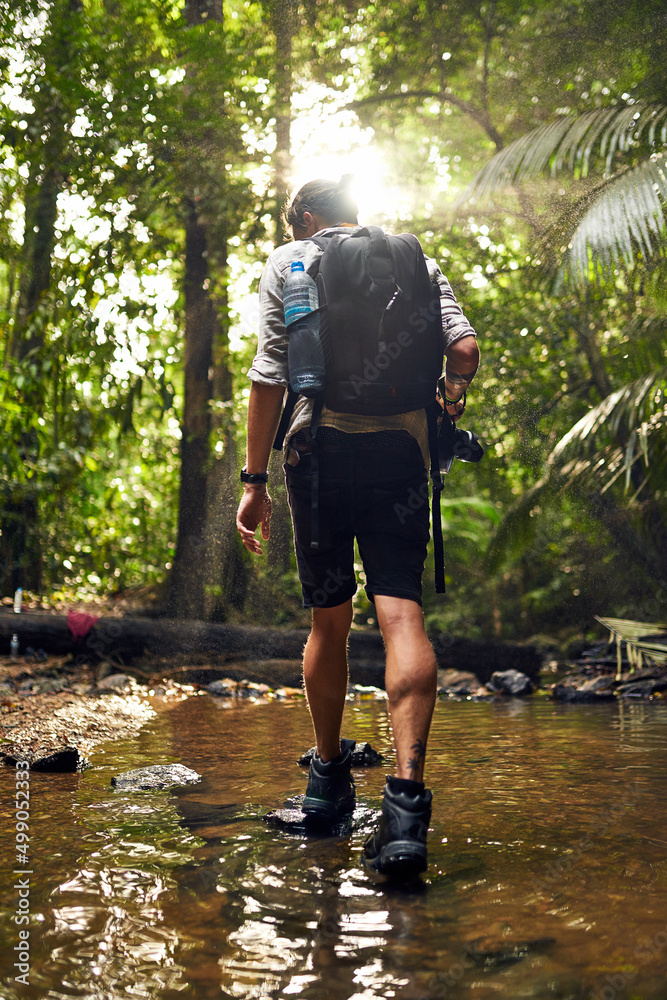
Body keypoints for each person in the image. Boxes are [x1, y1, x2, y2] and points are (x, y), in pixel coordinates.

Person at [236, 177, 479, 876]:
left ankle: (327, 786)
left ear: (306, 219)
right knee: (402, 616)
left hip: (318, 456)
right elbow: (462, 352)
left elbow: (268, 378)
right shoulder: (413, 261)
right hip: (401, 453)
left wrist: (254, 486)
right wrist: (450, 400)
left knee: (328, 621)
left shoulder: (288, 261)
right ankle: (404, 812)